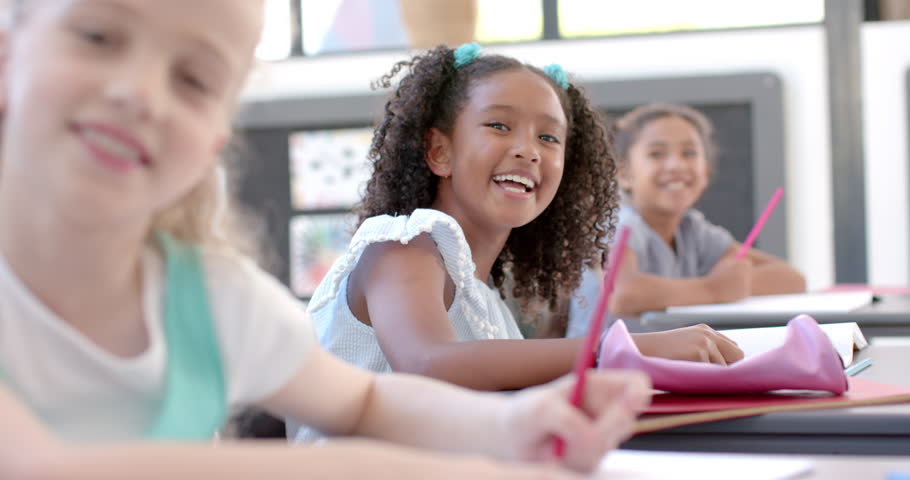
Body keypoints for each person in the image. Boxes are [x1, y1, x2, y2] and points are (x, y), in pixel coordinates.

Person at [0, 1, 653, 478]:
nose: (141, 94)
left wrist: (512, 427)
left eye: (194, 80)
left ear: (215, 141)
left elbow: (365, 400)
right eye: (97, 35)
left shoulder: (209, 293)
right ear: (6, 56)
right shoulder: (407, 246)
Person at [292, 44, 743, 441]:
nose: (529, 149)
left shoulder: (487, 303)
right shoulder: (401, 246)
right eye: (499, 126)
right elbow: (429, 364)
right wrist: (624, 348)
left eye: (549, 137)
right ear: (438, 152)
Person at [568, 103, 806, 334]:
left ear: (707, 171)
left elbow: (792, 279)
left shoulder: (692, 230)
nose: (676, 165)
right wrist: (712, 290)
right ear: (625, 173)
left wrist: (734, 283)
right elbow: (622, 294)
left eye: (689, 153)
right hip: (598, 367)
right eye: (656, 153)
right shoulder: (619, 222)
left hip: (658, 364)